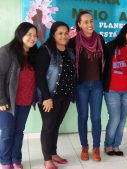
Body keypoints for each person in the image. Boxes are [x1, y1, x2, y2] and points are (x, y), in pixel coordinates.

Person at [35, 21, 75, 169]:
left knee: (56, 126)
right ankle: (47, 160)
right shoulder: (46, 50)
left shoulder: (69, 51)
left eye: (66, 33)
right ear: (53, 35)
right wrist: (46, 97)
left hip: (65, 96)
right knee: (48, 127)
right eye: (60, 33)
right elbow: (39, 76)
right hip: (49, 97)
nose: (64, 36)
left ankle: (53, 153)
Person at [68, 10, 106, 161]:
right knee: (83, 117)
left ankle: (96, 147)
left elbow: (106, 61)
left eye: (91, 21)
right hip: (81, 86)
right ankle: (84, 146)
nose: (90, 24)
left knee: (96, 117)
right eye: (85, 22)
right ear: (79, 24)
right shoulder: (73, 41)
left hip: (97, 85)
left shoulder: (100, 39)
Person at [0, 22, 37, 169]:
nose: (32, 38)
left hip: (26, 100)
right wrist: (1, 98)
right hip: (8, 100)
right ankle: (5, 161)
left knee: (19, 132)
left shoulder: (34, 53)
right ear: (20, 34)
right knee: (8, 132)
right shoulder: (7, 51)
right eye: (29, 35)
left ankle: (16, 159)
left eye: (35, 35)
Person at [103, 23, 127, 156]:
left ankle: (116, 145)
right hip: (112, 90)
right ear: (123, 32)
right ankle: (108, 145)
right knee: (115, 118)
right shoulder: (112, 46)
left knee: (123, 119)